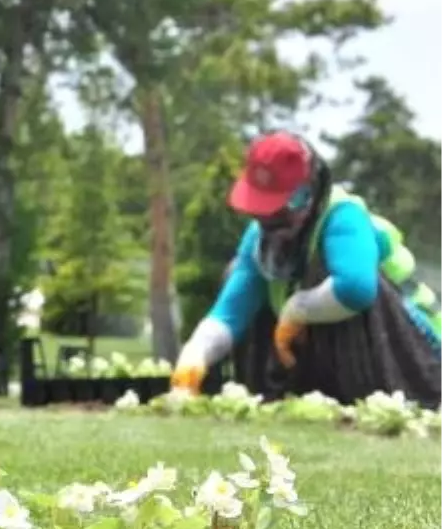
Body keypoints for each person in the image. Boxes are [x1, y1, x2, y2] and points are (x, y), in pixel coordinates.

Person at [172, 131, 442, 405]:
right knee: (236, 271)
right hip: (332, 353)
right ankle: (271, 396)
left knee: (326, 273)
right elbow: (231, 310)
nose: (267, 221)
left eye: (277, 210)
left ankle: (371, 400)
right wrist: (196, 353)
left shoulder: (343, 217)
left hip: (416, 355)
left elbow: (356, 288)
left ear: (306, 195)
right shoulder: (261, 238)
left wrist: (296, 310)